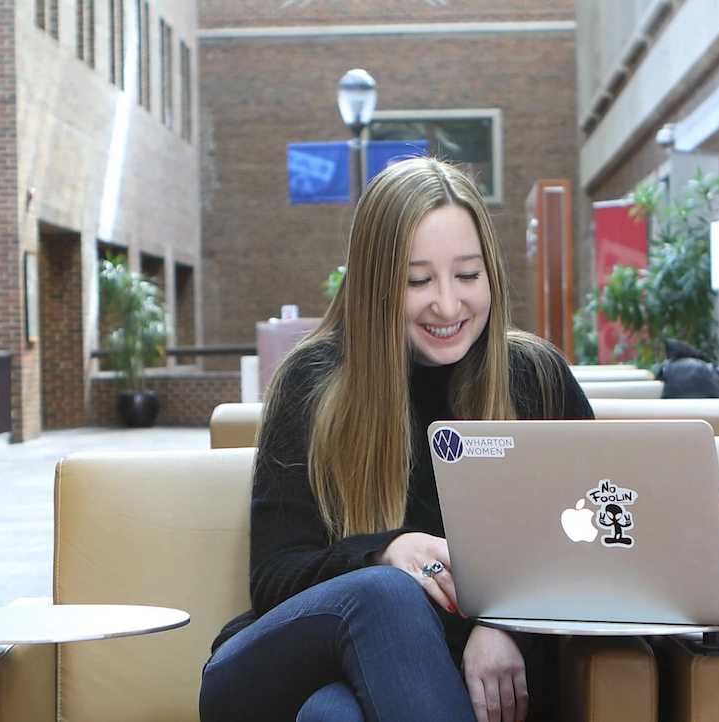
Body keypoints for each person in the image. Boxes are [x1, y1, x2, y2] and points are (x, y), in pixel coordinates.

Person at [200, 157, 594, 722]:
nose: (448, 304)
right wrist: (384, 554)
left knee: (332, 716)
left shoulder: (536, 379)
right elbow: (274, 580)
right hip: (272, 672)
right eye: (417, 280)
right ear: (376, 283)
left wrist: (503, 620)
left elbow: (604, 553)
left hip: (417, 692)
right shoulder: (315, 382)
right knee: (388, 593)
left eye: (467, 275)